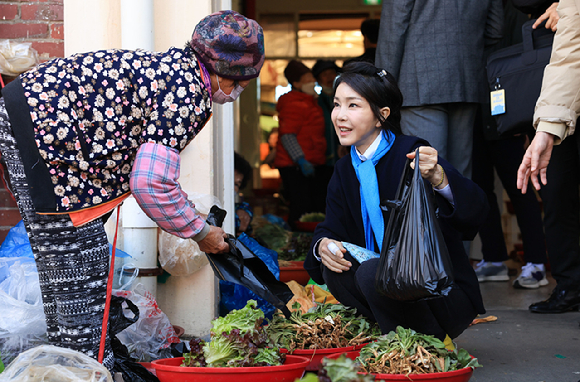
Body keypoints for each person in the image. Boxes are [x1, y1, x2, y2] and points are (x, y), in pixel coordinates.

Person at [0, 10, 264, 370]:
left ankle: (70, 369)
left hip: (32, 128)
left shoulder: (178, 70)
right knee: (81, 277)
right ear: (220, 71)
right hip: (42, 140)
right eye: (237, 84)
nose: (236, 94)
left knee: (68, 276)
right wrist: (200, 233)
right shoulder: (186, 91)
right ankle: (88, 371)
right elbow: (150, 183)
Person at [305, 62, 488, 340]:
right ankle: (393, 333)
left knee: (371, 273)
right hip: (387, 284)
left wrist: (439, 177)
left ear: (382, 116)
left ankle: (421, 341)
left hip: (439, 292)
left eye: (353, 106)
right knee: (335, 268)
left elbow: (475, 210)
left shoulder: (412, 153)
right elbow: (331, 226)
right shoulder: (344, 169)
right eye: (337, 105)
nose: (340, 116)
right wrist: (323, 246)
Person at [375, 0, 503, 179]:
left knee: (426, 173)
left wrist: (382, 86)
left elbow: (393, 29)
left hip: (418, 80)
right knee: (459, 175)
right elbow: (495, 29)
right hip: (466, 79)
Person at [473, 0, 548, 289]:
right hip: (477, 107)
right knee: (480, 189)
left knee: (521, 188)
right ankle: (493, 260)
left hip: (509, 111)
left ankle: (537, 263)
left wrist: (529, 122)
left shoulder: (519, 10)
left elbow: (527, 69)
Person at [517, 0, 580, 313]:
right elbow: (570, 55)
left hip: (561, 95)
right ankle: (569, 286)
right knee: (554, 193)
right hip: (563, 99)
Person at [274, 60, 327, 226]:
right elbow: (287, 135)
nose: (313, 81)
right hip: (295, 166)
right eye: (307, 78)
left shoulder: (311, 101)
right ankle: (296, 243)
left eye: (312, 77)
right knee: (300, 207)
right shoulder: (293, 103)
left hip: (310, 162)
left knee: (310, 207)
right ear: (296, 83)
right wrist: (300, 160)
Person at [312, 59, 341, 168]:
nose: (329, 77)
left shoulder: (346, 100)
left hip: (343, 158)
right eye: (324, 75)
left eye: (331, 73)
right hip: (321, 160)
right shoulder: (315, 103)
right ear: (318, 80)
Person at [234, 152, 253, 235]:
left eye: (236, 184)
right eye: (229, 179)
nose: (232, 188)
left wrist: (244, 212)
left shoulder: (236, 209)